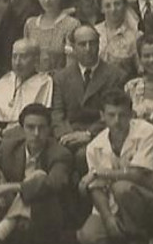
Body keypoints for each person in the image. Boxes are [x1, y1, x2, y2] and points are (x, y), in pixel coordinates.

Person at [0, 103, 75, 244]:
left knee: (39, 176)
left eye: (42, 128)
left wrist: (4, 188)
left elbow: (53, 183)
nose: (36, 133)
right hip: (9, 208)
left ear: (49, 129)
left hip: (43, 219)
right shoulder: (9, 147)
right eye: (30, 127)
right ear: (22, 129)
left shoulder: (60, 153)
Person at [77, 91, 153, 244]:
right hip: (113, 203)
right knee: (88, 238)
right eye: (111, 115)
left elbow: (137, 174)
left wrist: (97, 172)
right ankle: (122, 235)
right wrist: (108, 217)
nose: (117, 121)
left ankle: (139, 234)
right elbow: (96, 188)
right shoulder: (94, 146)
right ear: (102, 115)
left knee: (122, 187)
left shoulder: (147, 131)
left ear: (131, 114)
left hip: (148, 197)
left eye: (122, 115)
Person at [50, 24, 128, 156]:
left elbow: (114, 114)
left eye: (92, 43)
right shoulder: (61, 77)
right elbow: (57, 113)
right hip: (67, 135)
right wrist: (66, 135)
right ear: (73, 47)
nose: (88, 49)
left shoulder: (116, 75)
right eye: (82, 44)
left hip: (101, 134)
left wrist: (89, 134)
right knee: (60, 156)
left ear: (99, 44)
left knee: (84, 155)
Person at [0, 39, 55, 137]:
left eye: (23, 57)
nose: (17, 62)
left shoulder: (45, 82)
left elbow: (40, 118)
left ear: (36, 60)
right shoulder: (6, 79)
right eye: (14, 57)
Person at [23, 0, 78, 74]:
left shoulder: (71, 24)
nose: (47, 0)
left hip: (60, 82)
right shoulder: (30, 24)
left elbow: (71, 65)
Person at [94, 0, 141, 79]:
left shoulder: (136, 36)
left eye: (117, 4)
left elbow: (141, 70)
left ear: (124, 6)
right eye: (107, 6)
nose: (113, 9)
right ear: (101, 9)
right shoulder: (94, 32)